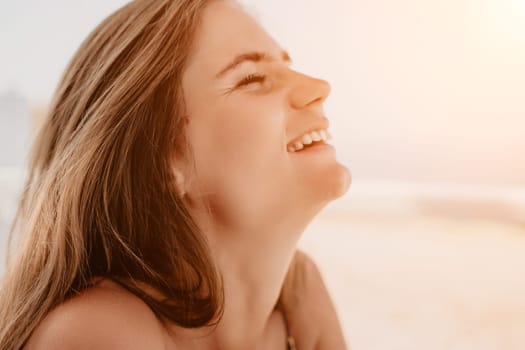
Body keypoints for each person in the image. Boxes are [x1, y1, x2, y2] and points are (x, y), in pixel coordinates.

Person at [0, 0, 352, 349]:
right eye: (253, 78)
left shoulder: (300, 304)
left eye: (288, 66)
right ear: (166, 155)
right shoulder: (101, 334)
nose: (318, 87)